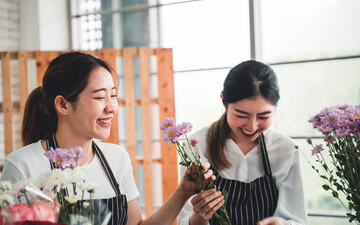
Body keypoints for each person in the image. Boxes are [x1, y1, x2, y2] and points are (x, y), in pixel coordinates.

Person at [0, 51, 222, 225]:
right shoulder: (22, 166)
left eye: (113, 95)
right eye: (99, 97)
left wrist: (183, 192)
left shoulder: (116, 158)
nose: (112, 107)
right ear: (63, 104)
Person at [177, 60, 307, 225]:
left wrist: (281, 224)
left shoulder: (286, 150)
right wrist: (200, 217)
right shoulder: (198, 145)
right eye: (241, 115)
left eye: (263, 116)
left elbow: (297, 220)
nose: (252, 126)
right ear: (224, 102)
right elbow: (183, 220)